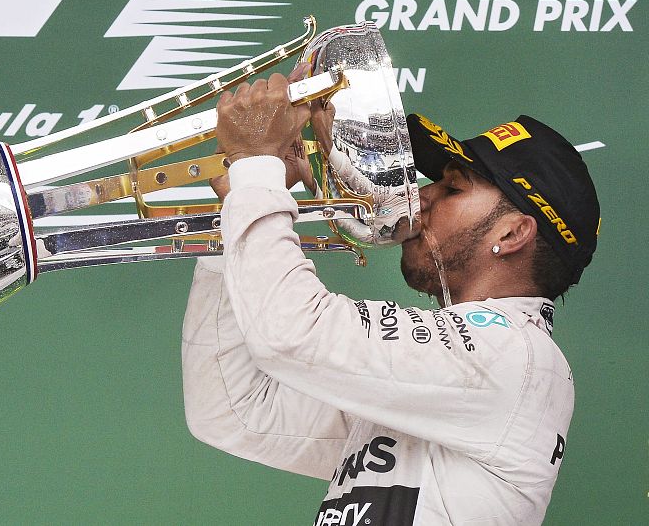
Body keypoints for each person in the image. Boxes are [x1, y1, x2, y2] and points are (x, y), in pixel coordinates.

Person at [181, 71, 600, 525]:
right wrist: (238, 217)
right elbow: (236, 410)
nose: (421, 196)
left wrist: (257, 171)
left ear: (513, 232)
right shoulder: (456, 380)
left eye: (453, 188)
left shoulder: (515, 356)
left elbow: (291, 332)